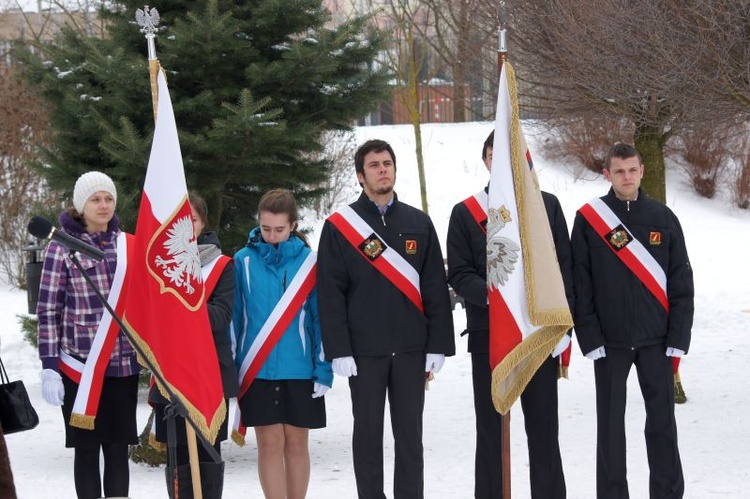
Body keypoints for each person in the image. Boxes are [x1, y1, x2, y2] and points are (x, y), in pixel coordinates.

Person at [317, 139, 455, 499]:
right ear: (361, 175)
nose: (383, 169)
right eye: (375, 165)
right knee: (367, 438)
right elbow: (330, 293)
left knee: (410, 437)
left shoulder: (418, 222)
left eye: (387, 163)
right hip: (364, 353)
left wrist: (437, 344)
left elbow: (435, 289)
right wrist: (339, 349)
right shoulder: (339, 227)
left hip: (411, 349)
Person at [447, 131, 573, 499]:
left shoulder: (546, 207)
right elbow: (459, 273)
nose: (501, 162)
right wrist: (497, 300)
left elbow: (563, 266)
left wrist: (562, 324)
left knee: (544, 431)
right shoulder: (465, 213)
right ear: (485, 160)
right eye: (494, 155)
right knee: (490, 431)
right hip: (490, 335)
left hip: (538, 335)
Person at [571, 143, 693, 499]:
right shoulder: (590, 219)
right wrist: (589, 338)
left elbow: (681, 282)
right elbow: (580, 284)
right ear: (607, 174)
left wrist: (677, 337)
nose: (627, 177)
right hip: (610, 343)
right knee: (610, 428)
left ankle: (668, 493)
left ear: (642, 171)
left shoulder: (664, 218)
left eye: (632, 170)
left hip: (656, 341)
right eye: (619, 171)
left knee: (663, 426)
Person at [36, 171, 140, 499]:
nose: (104, 205)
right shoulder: (62, 248)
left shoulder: (128, 246)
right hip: (79, 367)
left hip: (122, 365)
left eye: (108, 198)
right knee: (86, 450)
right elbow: (49, 309)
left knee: (117, 449)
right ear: (81, 206)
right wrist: (49, 365)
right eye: (96, 199)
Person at [232, 188, 332, 499]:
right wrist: (231, 370)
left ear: (293, 225)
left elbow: (320, 320)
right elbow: (234, 320)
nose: (272, 235)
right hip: (257, 370)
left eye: (279, 229)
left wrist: (324, 368)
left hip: (299, 369)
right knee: (269, 442)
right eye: (265, 229)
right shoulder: (242, 261)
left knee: (297, 443)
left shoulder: (310, 263)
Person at [149, 191, 238, 498]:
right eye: (180, 221)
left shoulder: (222, 266)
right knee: (178, 456)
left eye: (193, 219)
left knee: (207, 452)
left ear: (203, 223)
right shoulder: (159, 267)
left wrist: (184, 304)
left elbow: (221, 315)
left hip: (208, 373)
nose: (187, 226)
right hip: (170, 373)